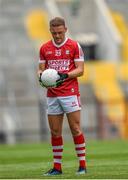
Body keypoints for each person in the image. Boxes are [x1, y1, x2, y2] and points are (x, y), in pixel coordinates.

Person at [37, 17, 87, 176]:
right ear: (50, 30)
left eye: (59, 32)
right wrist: (41, 77)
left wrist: (65, 76)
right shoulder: (44, 48)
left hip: (70, 93)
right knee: (55, 132)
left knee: (75, 128)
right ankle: (57, 168)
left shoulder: (74, 46)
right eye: (54, 32)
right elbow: (40, 69)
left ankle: (82, 166)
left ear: (65, 29)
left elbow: (80, 70)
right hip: (52, 94)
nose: (57, 35)